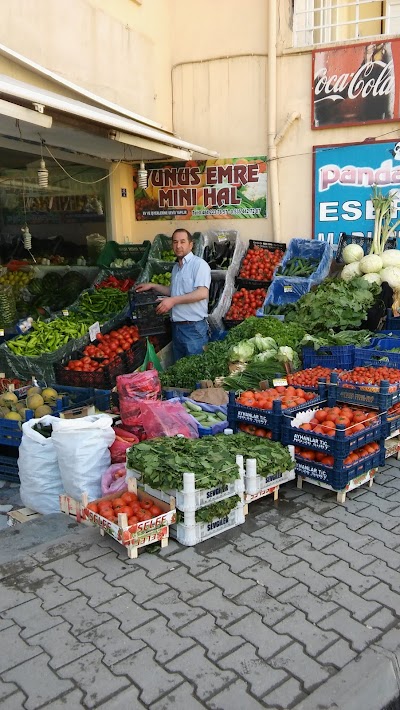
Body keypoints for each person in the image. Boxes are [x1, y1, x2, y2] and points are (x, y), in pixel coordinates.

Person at [136, 229, 211, 361]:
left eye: (183, 242)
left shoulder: (199, 265)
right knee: (180, 372)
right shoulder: (176, 268)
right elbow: (174, 291)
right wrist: (153, 285)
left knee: (195, 372)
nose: (178, 246)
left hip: (193, 329)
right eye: (175, 242)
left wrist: (173, 301)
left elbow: (202, 293)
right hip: (177, 328)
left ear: (191, 245)